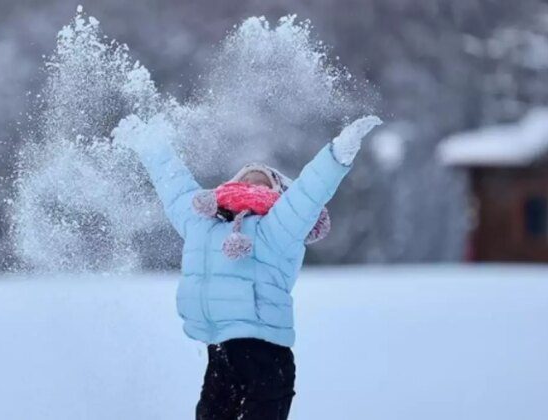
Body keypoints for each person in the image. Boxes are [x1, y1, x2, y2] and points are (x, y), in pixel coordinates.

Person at [112, 114, 382, 420]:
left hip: (266, 355)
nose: (252, 182)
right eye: (246, 178)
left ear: (279, 194)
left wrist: (337, 154)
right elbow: (174, 185)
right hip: (220, 352)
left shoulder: (279, 226)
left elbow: (309, 192)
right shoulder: (202, 221)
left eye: (263, 180)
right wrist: (150, 144)